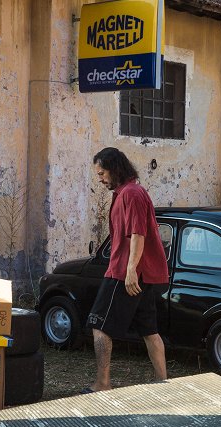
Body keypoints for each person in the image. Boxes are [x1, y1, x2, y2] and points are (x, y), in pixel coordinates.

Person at [85, 147, 169, 393]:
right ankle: (162, 384)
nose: (100, 179)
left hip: (125, 272)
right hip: (142, 272)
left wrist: (130, 269)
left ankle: (103, 383)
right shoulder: (131, 192)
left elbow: (137, 234)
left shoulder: (131, 194)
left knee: (99, 326)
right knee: (150, 331)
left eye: (102, 173)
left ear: (114, 169)